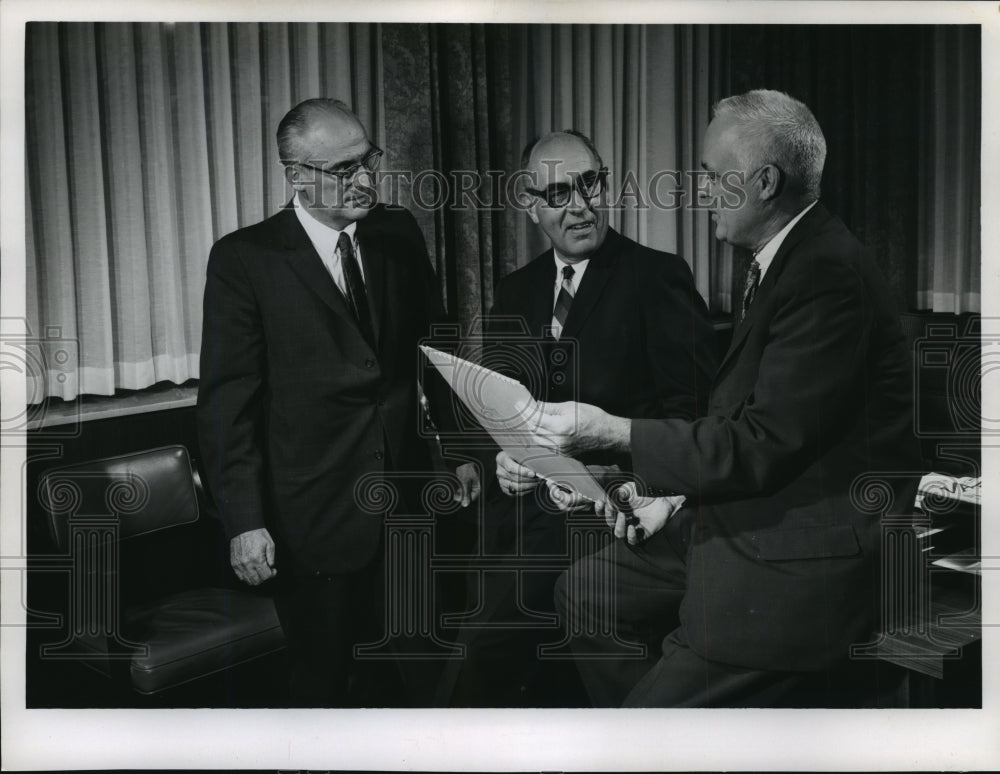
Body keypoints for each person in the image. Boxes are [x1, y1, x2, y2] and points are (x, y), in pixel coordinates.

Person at [532, 90, 921, 707]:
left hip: (796, 561)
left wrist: (615, 433)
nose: (699, 189)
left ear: (765, 182)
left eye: (712, 176)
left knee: (640, 732)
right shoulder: (785, 260)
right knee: (585, 593)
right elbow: (754, 420)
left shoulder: (824, 276)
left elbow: (764, 442)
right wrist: (673, 496)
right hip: (744, 518)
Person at [197, 98, 478, 707]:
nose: (367, 179)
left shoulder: (397, 232)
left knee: (423, 674)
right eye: (344, 168)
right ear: (297, 175)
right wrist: (245, 521)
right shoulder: (245, 260)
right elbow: (228, 405)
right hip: (312, 519)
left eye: (369, 160)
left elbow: (435, 351)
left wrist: (458, 450)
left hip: (405, 503)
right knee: (325, 684)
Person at [438, 130, 717, 706]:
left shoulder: (656, 276)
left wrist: (633, 488)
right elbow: (503, 406)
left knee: (487, 645)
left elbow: (692, 416)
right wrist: (503, 458)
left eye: (589, 184)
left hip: (609, 512)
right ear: (531, 203)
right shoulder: (516, 291)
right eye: (559, 192)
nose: (579, 205)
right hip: (518, 515)